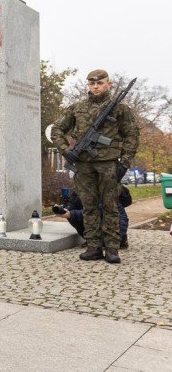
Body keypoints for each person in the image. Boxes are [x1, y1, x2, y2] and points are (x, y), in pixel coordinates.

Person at [52, 69, 138, 264]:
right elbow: (57, 129)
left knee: (110, 207)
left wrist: (124, 163)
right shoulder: (77, 108)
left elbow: (131, 136)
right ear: (88, 85)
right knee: (89, 207)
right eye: (92, 83)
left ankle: (113, 249)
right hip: (83, 166)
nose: (96, 86)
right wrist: (66, 150)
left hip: (108, 165)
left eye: (100, 83)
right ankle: (93, 247)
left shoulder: (120, 108)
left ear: (108, 84)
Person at [55, 188, 130, 250]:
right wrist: (64, 209)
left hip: (115, 225)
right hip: (98, 219)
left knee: (78, 215)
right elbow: (72, 205)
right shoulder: (80, 187)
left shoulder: (103, 187)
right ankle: (91, 240)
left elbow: (96, 211)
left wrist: (72, 214)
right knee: (72, 216)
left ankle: (119, 241)